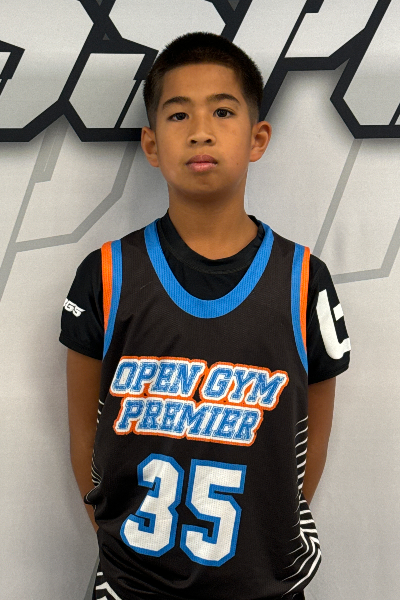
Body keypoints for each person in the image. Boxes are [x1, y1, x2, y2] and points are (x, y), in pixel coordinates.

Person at [60, 31, 351, 600]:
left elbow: (309, 438)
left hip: (265, 585)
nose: (200, 130)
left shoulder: (303, 281)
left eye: (222, 111)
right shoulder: (106, 275)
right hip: (132, 586)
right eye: (178, 114)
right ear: (150, 144)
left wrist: (270, 539)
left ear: (257, 137)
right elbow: (84, 437)